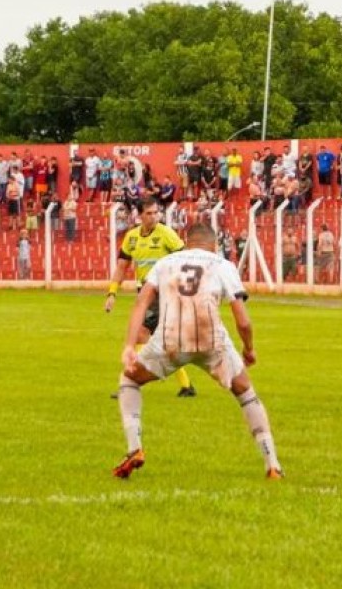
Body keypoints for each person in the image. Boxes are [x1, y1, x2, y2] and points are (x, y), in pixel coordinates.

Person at [112, 222, 283, 480]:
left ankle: (134, 447)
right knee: (245, 392)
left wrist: (128, 345)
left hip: (170, 340)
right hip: (211, 340)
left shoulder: (166, 263)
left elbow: (141, 302)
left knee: (129, 380)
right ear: (213, 245)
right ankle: (272, 464)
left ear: (186, 240)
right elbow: (243, 320)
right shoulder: (222, 265)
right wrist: (249, 349)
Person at [104, 196, 196, 398]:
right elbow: (122, 267)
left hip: (163, 292)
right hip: (144, 293)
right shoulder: (132, 237)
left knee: (140, 336)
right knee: (166, 343)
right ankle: (186, 386)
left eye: (156, 213)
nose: (154, 217)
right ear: (139, 215)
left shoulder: (166, 234)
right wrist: (112, 292)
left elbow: (185, 259)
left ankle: (130, 384)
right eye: (149, 213)